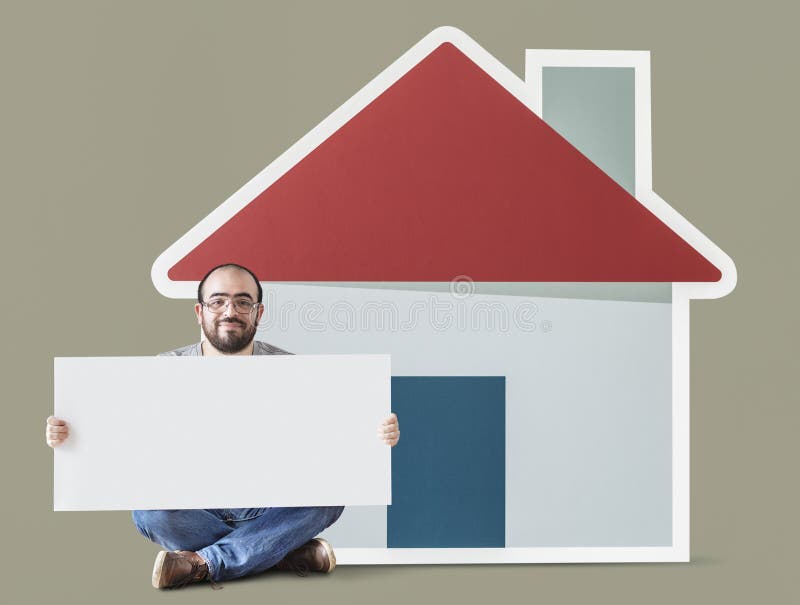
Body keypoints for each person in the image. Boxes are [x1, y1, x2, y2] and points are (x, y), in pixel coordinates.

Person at [45, 263, 400, 589]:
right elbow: (122, 439)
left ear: (258, 313)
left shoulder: (292, 370)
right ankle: (277, 552)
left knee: (331, 495)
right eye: (218, 302)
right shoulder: (163, 370)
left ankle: (204, 562)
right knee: (148, 512)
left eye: (243, 302)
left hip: (270, 505)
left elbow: (331, 440)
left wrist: (374, 434)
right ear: (200, 312)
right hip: (193, 510)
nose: (230, 311)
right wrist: (72, 436)